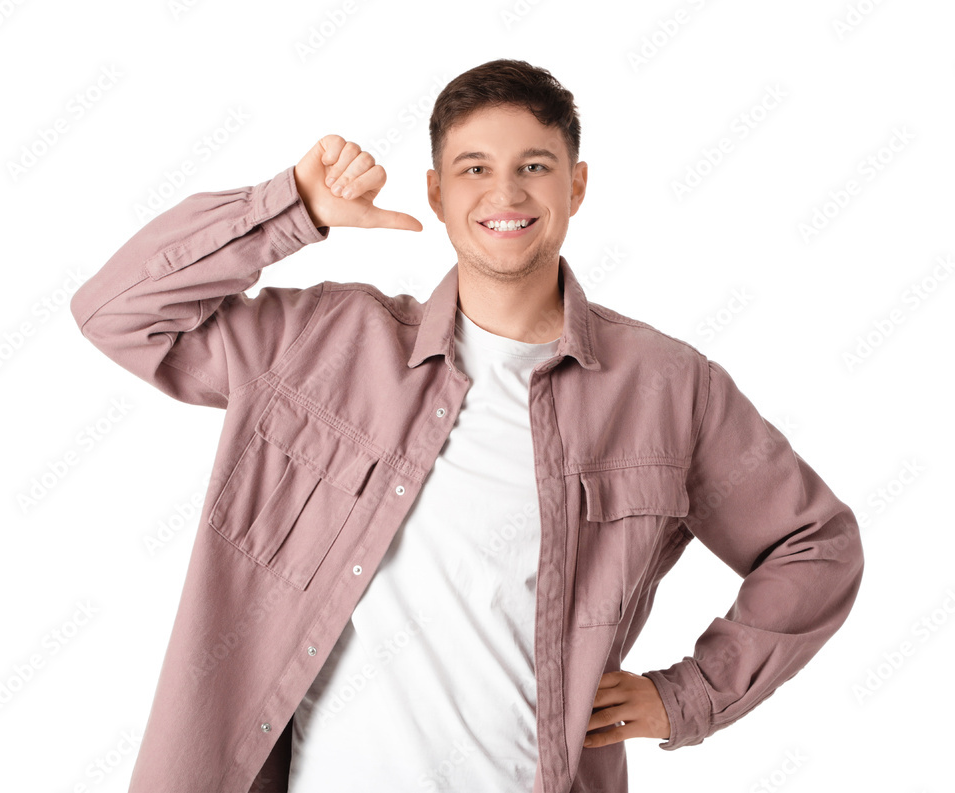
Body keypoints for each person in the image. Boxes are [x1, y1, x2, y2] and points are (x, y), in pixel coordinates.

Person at [70, 58, 864, 793]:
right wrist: (293, 209)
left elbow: (817, 544)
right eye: (475, 168)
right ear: (437, 191)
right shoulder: (324, 342)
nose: (506, 194)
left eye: (535, 167)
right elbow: (117, 315)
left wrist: (685, 697)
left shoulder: (665, 387)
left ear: (577, 186)